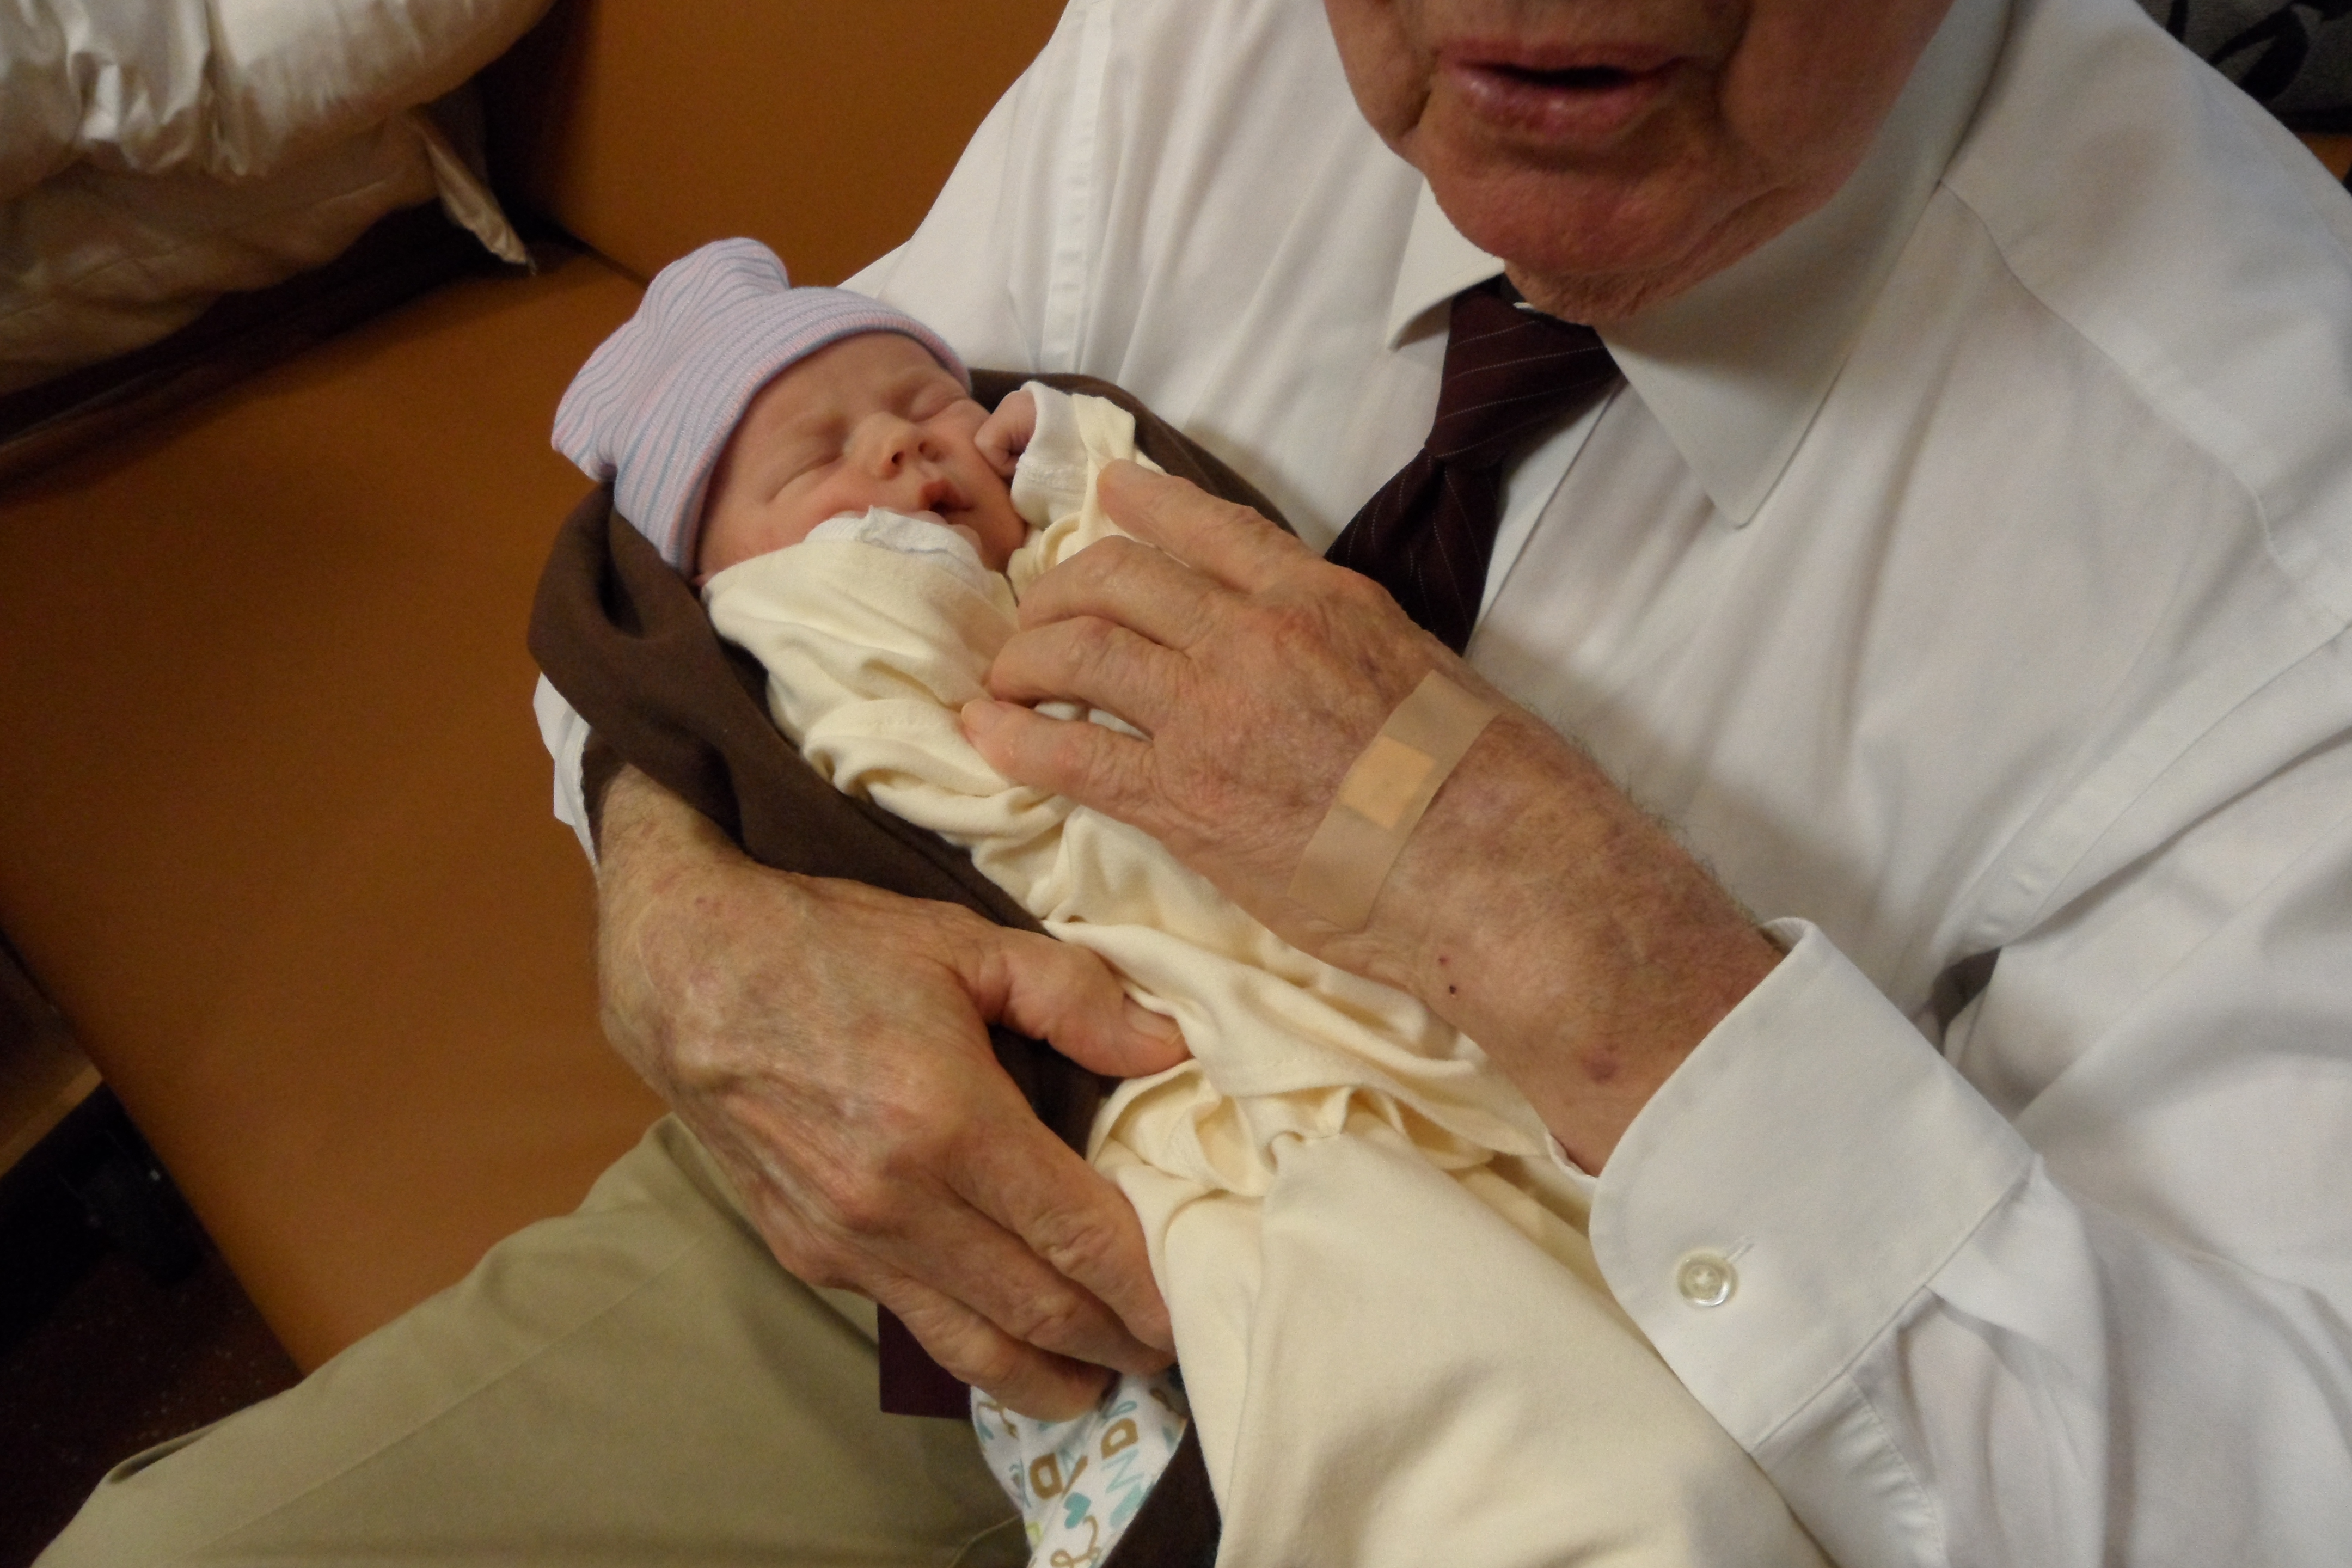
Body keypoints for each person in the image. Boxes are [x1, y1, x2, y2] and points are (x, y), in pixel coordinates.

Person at [43, 0, 2352, 1562]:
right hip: (923, 1206)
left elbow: (2244, 1499)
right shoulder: (1203, 41)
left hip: (1582, 1393)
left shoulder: (2279, 519)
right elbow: (724, 515)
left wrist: (1590, 947)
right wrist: (681, 896)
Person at [549, 235, 1826, 1566]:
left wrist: (1063, 461)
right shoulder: (808, 610)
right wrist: (674, 886)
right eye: (821, 459)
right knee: (1431, 1377)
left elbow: (1119, 525)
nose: (902, 445)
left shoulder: (1034, 527)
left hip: (1509, 1075)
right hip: (950, 1112)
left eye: (926, 404)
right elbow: (649, 668)